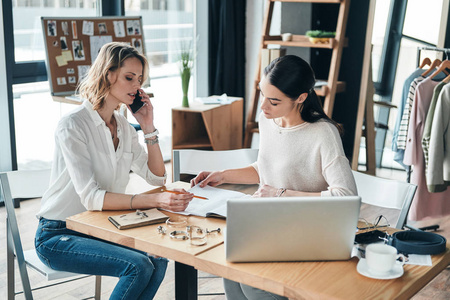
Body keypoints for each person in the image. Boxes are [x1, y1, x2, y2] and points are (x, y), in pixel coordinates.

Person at [35, 42, 194, 300]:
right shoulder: (72, 126)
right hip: (57, 234)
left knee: (158, 255)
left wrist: (148, 126)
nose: (137, 86)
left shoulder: (125, 126)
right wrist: (153, 199)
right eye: (129, 77)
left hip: (99, 227)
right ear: (108, 75)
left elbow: (156, 177)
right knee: (138, 266)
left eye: (140, 79)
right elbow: (92, 197)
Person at [191, 55, 357, 300]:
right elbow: (267, 167)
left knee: (254, 285)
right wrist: (223, 175)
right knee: (231, 271)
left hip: (310, 229)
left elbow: (346, 196)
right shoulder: (268, 120)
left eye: (274, 101)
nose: (263, 107)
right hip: (273, 223)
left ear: (301, 98)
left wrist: (281, 194)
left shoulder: (323, 133)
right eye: (262, 95)